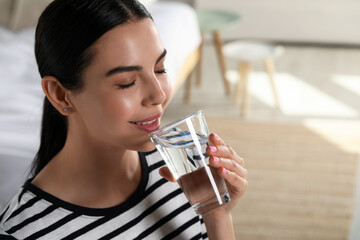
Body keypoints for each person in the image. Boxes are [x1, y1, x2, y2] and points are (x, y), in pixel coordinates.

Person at [0, 0, 248, 239]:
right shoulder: (23, 232)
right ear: (60, 95)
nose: (159, 95)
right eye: (127, 82)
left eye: (160, 69)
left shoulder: (185, 167)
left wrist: (217, 215)